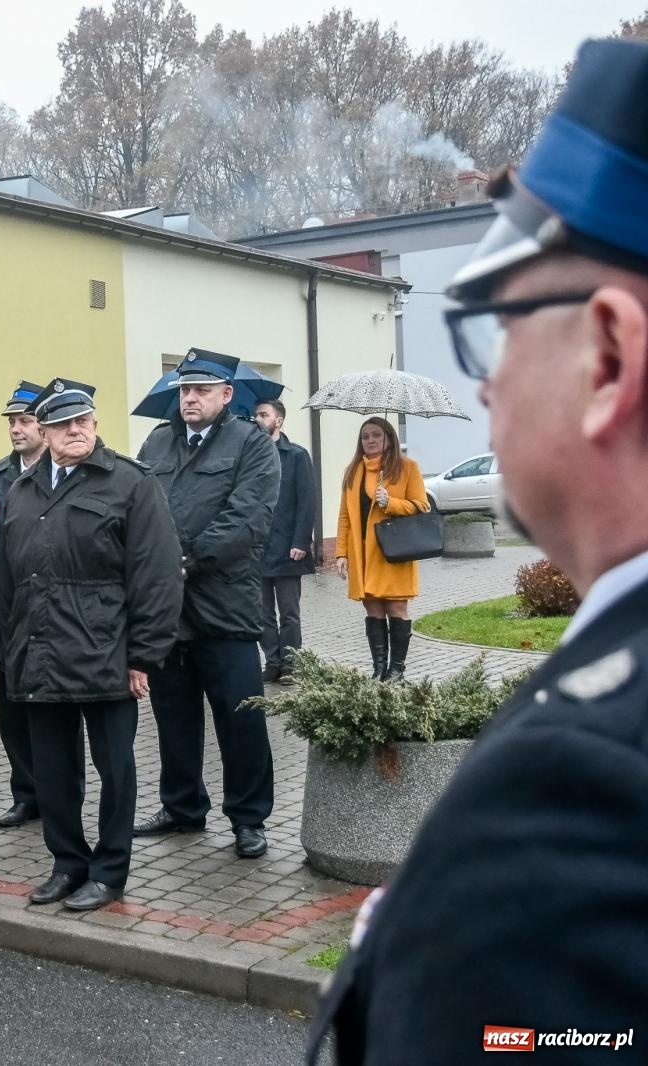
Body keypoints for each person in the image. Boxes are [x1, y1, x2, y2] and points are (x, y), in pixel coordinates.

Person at [308, 37, 648, 1061]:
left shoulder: (576, 794)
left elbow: (529, 1039)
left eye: (496, 328)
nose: (487, 384)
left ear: (607, 355)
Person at [0, 380, 183, 909]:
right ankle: (67, 864)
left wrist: (144, 656)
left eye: (83, 421)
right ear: (45, 433)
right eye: (62, 424)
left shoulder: (130, 482)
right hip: (41, 656)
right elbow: (6, 581)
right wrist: (10, 652)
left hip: (108, 657)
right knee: (53, 773)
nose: (74, 431)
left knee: (115, 771)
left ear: (95, 426)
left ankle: (109, 871)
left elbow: (159, 576)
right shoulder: (22, 489)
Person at [135, 351, 280, 859]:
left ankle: (248, 817)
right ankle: (181, 806)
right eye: (184, 390)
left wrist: (185, 559)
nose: (190, 398)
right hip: (167, 613)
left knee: (240, 718)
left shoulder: (253, 446)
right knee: (173, 717)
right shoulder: (157, 440)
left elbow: (248, 520)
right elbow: (137, 506)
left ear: (226, 395)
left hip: (226, 608)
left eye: (201, 390)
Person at [0, 380, 49, 828]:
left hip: (50, 616)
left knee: (48, 718)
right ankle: (24, 794)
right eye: (11, 421)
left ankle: (55, 795)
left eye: (25, 420)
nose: (16, 428)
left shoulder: (62, 470)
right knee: (12, 714)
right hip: (8, 616)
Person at [333, 417, 429, 681]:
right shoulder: (353, 471)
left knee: (396, 608)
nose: (371, 440)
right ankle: (379, 669)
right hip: (363, 553)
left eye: (377, 435)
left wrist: (392, 503)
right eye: (365, 436)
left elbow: (422, 506)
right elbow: (344, 517)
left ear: (389, 439)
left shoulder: (407, 468)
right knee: (373, 610)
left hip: (393, 552)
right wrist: (341, 552)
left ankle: (396, 669)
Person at [253, 400, 317, 683]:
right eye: (256, 414)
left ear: (278, 421)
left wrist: (301, 541)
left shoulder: (296, 455)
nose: (257, 419)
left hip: (289, 547)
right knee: (262, 612)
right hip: (258, 548)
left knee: (289, 612)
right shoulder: (251, 455)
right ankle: (273, 662)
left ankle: (292, 664)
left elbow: (307, 501)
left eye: (263, 415)